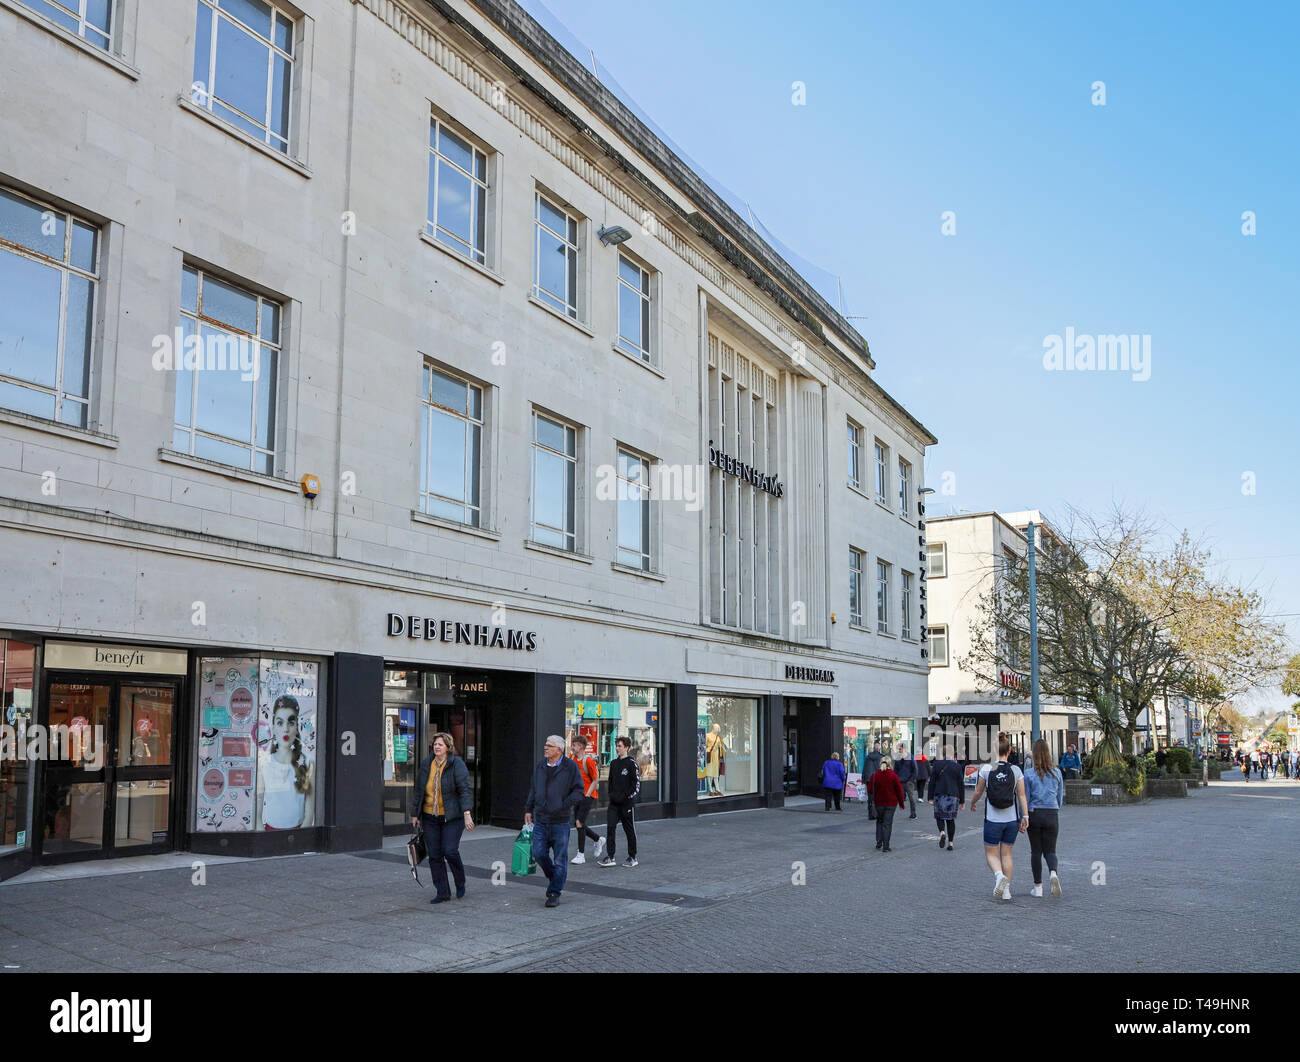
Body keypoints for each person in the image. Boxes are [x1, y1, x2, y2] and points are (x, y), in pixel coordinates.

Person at [410, 731, 474, 904]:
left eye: (440, 744)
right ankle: (442, 891)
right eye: (435, 744)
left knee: (450, 851)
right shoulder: (426, 764)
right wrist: (415, 814)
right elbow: (419, 790)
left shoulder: (456, 764)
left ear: (448, 747)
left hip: (452, 817)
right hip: (430, 817)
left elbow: (464, 790)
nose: (437, 747)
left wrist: (467, 814)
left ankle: (460, 881)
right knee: (435, 855)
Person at [524, 735, 584, 908]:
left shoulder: (570, 767)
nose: (545, 748)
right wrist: (528, 809)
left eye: (549, 746)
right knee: (538, 853)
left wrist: (564, 805)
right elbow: (534, 788)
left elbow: (579, 791)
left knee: (560, 859)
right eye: (545, 745)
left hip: (560, 821)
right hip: (541, 819)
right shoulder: (541, 765)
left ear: (559, 750)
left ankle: (554, 892)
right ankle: (555, 878)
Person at [970, 736, 1028, 900]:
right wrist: (1025, 816)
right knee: (1007, 855)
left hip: (993, 820)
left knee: (991, 854)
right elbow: (1022, 795)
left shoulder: (987, 769)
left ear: (994, 751)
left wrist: (972, 803)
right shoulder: (1016, 770)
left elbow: (978, 792)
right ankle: (1007, 891)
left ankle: (998, 876)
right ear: (1009, 751)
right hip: (1011, 820)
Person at [257, 695, 313, 829]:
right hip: (269, 836)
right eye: (280, 722)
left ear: (297, 726)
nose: (286, 729)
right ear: (274, 726)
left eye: (291, 722)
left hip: (298, 836)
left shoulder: (307, 762)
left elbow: (310, 811)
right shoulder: (264, 763)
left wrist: (299, 840)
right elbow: (257, 813)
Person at [1023, 739, 1063, 898]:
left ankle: (1038, 887)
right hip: (1052, 813)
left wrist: (1023, 817)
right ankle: (1053, 873)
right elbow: (1060, 798)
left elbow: (1025, 797)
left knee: (1036, 851)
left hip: (1034, 813)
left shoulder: (1029, 774)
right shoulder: (1057, 772)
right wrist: (1054, 807)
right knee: (1051, 850)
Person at [598, 735, 640, 867]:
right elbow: (611, 781)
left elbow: (636, 785)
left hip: (626, 803)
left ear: (627, 748)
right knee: (610, 827)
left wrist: (627, 796)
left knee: (629, 830)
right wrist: (611, 795)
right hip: (614, 804)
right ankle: (610, 856)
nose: (617, 748)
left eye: (620, 746)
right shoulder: (614, 763)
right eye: (616, 746)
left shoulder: (632, 764)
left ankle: (632, 857)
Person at [568, 735, 606, 865]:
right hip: (576, 796)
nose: (572, 747)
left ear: (581, 747)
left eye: (575, 745)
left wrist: (587, 794)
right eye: (572, 744)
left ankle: (581, 855)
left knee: (579, 823)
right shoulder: (572, 758)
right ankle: (598, 839)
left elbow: (596, 779)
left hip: (588, 796)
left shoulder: (588, 761)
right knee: (579, 824)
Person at [929, 744, 965, 850]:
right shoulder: (957, 766)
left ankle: (942, 832)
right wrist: (962, 801)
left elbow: (932, 782)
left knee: (939, 816)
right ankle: (950, 843)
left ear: (943, 754)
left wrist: (930, 797)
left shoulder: (937, 765)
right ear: (953, 754)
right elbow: (960, 784)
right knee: (950, 819)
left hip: (939, 795)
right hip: (953, 796)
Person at [867, 756, 905, 852]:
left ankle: (879, 842)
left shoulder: (875, 775)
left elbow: (870, 790)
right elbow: (899, 791)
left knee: (879, 822)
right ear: (890, 764)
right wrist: (901, 804)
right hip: (891, 804)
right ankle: (886, 846)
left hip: (879, 803)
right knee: (887, 824)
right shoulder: (893, 775)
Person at [894, 743, 919, 818]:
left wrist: (911, 780)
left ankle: (913, 813)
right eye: (899, 749)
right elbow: (895, 770)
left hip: (908, 782)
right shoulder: (898, 758)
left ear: (904, 749)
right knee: (896, 797)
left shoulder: (910, 757)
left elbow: (915, 770)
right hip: (900, 781)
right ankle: (891, 813)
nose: (899, 750)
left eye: (900, 749)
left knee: (911, 798)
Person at [863, 742, 883, 820]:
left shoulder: (868, 757)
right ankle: (876, 813)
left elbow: (865, 768)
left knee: (870, 797)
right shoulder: (881, 757)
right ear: (879, 749)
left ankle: (870, 814)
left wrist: (863, 779)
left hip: (869, 779)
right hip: (877, 779)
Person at [704, 723, 725, 795]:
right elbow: (704, 745)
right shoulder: (707, 735)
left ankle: (717, 789)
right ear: (714, 728)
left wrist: (722, 757)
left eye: (718, 729)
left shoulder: (718, 737)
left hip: (716, 756)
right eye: (717, 729)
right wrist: (706, 751)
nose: (718, 731)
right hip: (710, 755)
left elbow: (720, 747)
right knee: (709, 773)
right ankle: (711, 790)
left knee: (715, 773)